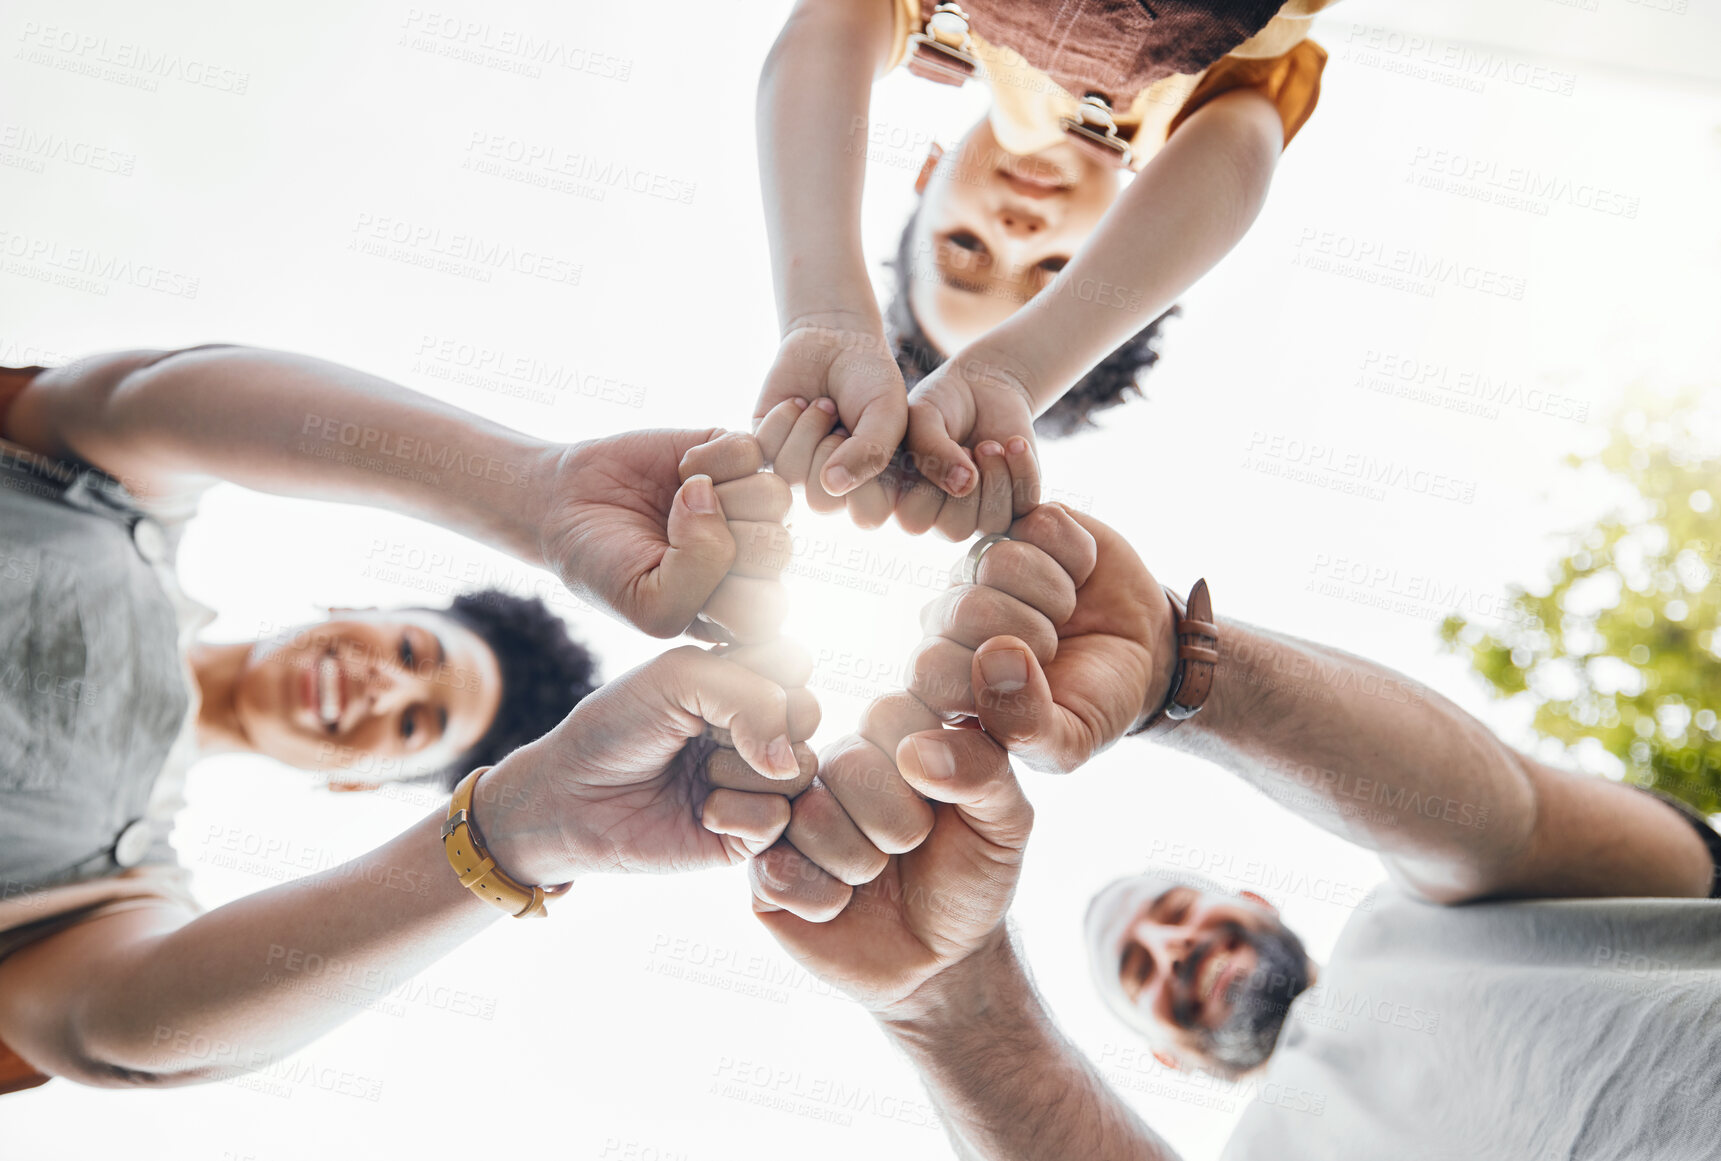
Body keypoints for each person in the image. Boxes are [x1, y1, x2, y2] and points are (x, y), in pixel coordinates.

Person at [753, 504, 1721, 1160]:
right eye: (1140, 970)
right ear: (1165, 1057)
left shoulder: (1422, 917)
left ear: (1254, 902)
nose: (1175, 948)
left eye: (1173, 914)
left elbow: (1508, 816)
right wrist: (948, 996)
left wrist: (1185, 671)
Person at [0, 348, 814, 1092]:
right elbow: (150, 399)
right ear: (354, 606)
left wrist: (518, 831)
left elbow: (123, 1030)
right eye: (411, 651)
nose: (379, 690)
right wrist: (540, 490)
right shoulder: (107, 494)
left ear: (357, 779)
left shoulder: (107, 890)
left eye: (414, 725)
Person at [752, 0, 1335, 539]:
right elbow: (1239, 156)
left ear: (929, 173)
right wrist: (1021, 369)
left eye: (964, 246)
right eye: (1055, 271)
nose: (1014, 234)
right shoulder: (1197, 116)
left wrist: (823, 307)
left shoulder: (939, 22)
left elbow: (820, 34)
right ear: (1130, 236)